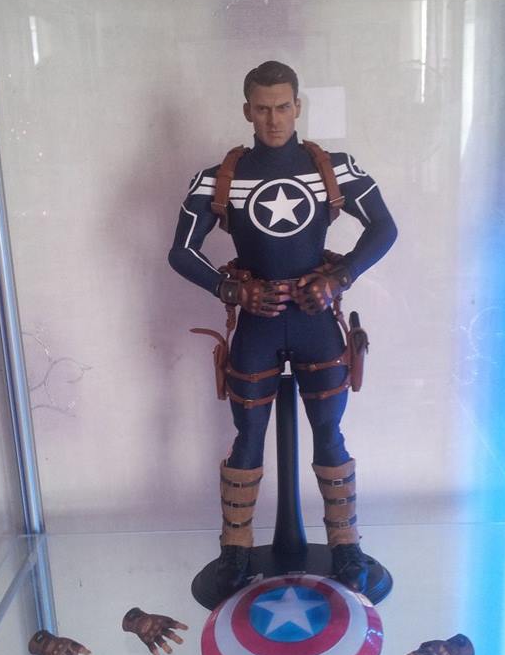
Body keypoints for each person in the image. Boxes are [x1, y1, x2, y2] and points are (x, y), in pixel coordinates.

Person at [168, 60, 397, 598]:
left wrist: (340, 276)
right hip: (258, 322)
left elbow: (385, 227)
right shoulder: (218, 178)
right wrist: (230, 290)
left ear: (298, 106)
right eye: (263, 108)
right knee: (247, 437)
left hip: (317, 320)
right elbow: (180, 251)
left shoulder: (335, 169)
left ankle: (345, 546)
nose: (274, 119)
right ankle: (235, 552)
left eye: (283, 107)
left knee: (330, 433)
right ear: (247, 111)